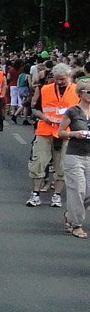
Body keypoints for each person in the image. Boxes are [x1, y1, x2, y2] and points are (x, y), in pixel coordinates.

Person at [27, 63, 76, 208]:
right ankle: (35, 194)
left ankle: (57, 195)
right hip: (45, 131)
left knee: (62, 165)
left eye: (62, 79)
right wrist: (45, 118)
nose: (59, 82)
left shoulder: (76, 91)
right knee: (38, 162)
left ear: (69, 76)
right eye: (57, 79)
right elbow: (36, 110)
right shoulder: (45, 89)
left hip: (66, 133)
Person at [57, 77, 90, 239]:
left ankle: (71, 214)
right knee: (77, 190)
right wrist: (74, 134)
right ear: (80, 93)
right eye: (88, 92)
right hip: (75, 155)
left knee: (88, 193)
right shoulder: (73, 111)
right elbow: (60, 132)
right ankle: (77, 224)